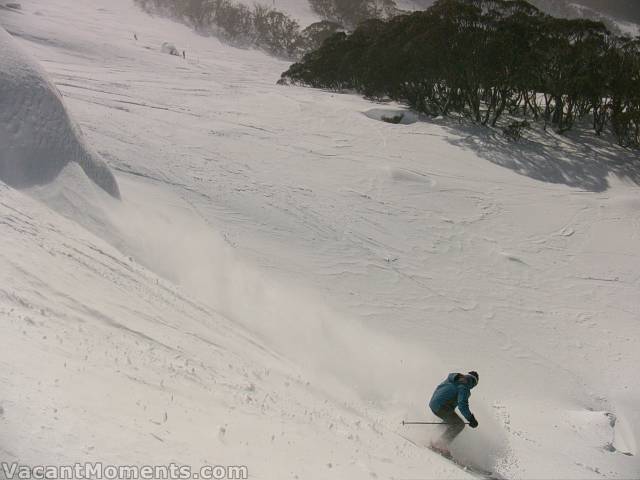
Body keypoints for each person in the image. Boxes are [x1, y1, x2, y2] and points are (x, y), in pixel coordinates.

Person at [428, 371, 479, 453]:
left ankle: (431, 435)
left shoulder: (454, 378)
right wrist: (471, 419)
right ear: (474, 383)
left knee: (451, 420)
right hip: (441, 406)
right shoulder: (465, 386)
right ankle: (439, 444)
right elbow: (462, 405)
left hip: (433, 403)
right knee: (459, 424)